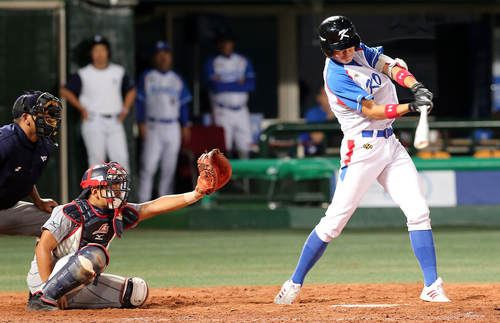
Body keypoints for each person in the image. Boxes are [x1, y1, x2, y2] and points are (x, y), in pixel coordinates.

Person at [274, 16, 450, 304]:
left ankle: (431, 284)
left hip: (389, 144)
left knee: (418, 210)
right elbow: (373, 110)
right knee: (333, 224)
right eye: (339, 49)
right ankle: (294, 282)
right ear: (327, 49)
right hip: (362, 148)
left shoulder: (359, 50)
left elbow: (390, 67)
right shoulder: (335, 76)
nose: (346, 52)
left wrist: (415, 86)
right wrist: (410, 106)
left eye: (348, 46)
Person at [26, 155, 225, 311]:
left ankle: (64, 299)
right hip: (46, 276)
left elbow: (154, 206)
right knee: (95, 255)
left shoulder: (117, 212)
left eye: (119, 187)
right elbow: (43, 249)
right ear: (94, 191)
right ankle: (41, 299)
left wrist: (196, 193)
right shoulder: (69, 211)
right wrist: (50, 289)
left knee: (137, 292)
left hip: (79, 279)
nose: (119, 192)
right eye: (112, 187)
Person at [60, 35, 136, 172]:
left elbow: (131, 90)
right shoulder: (84, 73)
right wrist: (81, 108)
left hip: (115, 120)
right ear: (91, 53)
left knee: (121, 160)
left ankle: (121, 193)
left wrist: (125, 111)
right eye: (96, 50)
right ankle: (95, 193)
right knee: (96, 161)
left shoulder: (118, 71)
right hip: (93, 119)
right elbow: (64, 90)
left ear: (108, 52)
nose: (100, 54)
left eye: (103, 50)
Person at [0, 91, 62, 237]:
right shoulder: (5, 142)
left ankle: (44, 260)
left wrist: (38, 201)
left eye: (51, 115)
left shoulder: (44, 145)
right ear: (25, 117)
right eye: (44, 114)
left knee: (60, 221)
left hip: (8, 209)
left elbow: (24, 177)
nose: (50, 119)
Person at [136, 41, 192, 202]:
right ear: (154, 58)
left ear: (170, 57)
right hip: (153, 124)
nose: (163, 58)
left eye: (165, 54)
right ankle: (143, 202)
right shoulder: (147, 76)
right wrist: (141, 123)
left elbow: (183, 104)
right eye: (159, 55)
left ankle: (164, 204)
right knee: (148, 166)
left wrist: (185, 124)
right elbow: (139, 102)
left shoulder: (177, 78)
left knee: (169, 168)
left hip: (173, 125)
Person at [205, 35, 256, 159]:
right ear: (218, 45)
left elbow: (251, 85)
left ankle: (246, 178)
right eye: (223, 42)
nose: (226, 45)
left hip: (241, 110)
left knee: (246, 147)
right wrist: (238, 83)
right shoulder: (212, 61)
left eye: (228, 42)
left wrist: (224, 82)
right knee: (223, 149)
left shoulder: (242, 59)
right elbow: (216, 87)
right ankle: (224, 178)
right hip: (222, 110)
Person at [298, 86, 336, 155]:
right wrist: (330, 116)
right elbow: (317, 139)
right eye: (326, 94)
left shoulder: (343, 112)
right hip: (315, 153)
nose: (329, 98)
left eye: (332, 94)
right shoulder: (312, 113)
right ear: (319, 97)